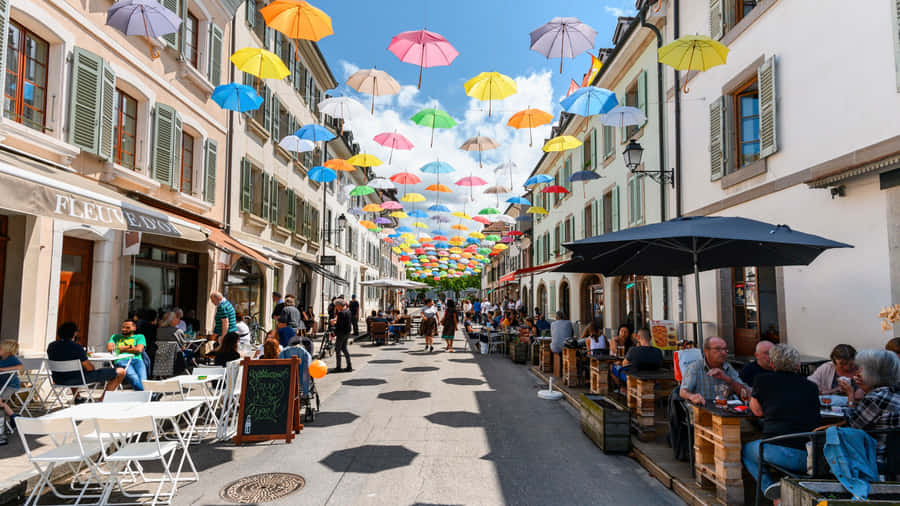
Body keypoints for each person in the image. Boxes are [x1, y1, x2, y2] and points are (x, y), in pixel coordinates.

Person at [742, 344, 823, 503]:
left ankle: (773, 494)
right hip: (811, 455)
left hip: (778, 450)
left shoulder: (763, 380)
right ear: (798, 365)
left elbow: (757, 411)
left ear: (772, 364)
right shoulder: (811, 386)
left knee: (746, 450)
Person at [839, 349, 900, 467]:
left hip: (877, 461)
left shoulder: (876, 398)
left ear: (872, 372)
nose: (858, 372)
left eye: (862, 368)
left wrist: (850, 396)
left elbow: (852, 426)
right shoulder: (893, 392)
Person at [49, 322, 125, 399]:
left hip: (58, 380)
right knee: (121, 372)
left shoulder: (51, 346)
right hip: (77, 379)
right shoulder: (76, 347)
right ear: (75, 333)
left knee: (73, 372)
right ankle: (102, 400)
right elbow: (90, 368)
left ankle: (78, 398)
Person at [680, 337, 749, 405]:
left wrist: (726, 378)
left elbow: (745, 392)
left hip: (726, 410)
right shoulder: (695, 368)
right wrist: (691, 396)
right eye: (718, 349)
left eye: (725, 349)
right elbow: (683, 391)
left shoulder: (728, 367)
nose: (723, 352)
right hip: (704, 409)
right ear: (706, 351)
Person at [108, 320, 148, 391]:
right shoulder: (115, 337)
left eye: (127, 327)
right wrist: (130, 347)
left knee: (144, 381)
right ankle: (151, 395)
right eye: (123, 327)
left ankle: (147, 395)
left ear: (134, 328)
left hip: (137, 360)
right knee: (134, 378)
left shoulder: (140, 337)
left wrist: (120, 348)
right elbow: (110, 348)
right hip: (121, 360)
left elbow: (139, 350)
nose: (124, 329)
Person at [0, 340, 23, 445]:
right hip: (2, 386)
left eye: (1, 349)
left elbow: (21, 367)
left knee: (0, 402)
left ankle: (14, 417)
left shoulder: (12, 359)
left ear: (7, 351)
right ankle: (14, 417)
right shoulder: (1, 358)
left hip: (11, 386)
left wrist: (4, 369)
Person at [331, 299, 353, 372]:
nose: (336, 308)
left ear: (339, 305)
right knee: (344, 349)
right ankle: (349, 365)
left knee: (338, 350)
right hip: (347, 333)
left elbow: (339, 325)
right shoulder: (348, 311)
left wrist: (334, 326)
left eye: (336, 306)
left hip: (341, 333)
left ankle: (338, 367)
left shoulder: (341, 313)